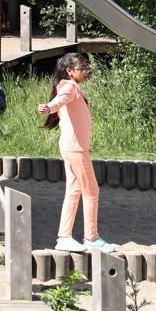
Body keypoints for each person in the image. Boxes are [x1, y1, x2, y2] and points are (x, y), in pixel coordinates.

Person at [37, 53, 116, 253]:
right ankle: (91, 237)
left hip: (73, 147)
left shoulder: (72, 88)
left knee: (74, 191)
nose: (86, 71)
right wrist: (48, 108)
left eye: (85, 67)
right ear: (70, 71)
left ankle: (64, 237)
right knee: (92, 191)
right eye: (82, 68)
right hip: (76, 148)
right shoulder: (69, 87)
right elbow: (59, 101)